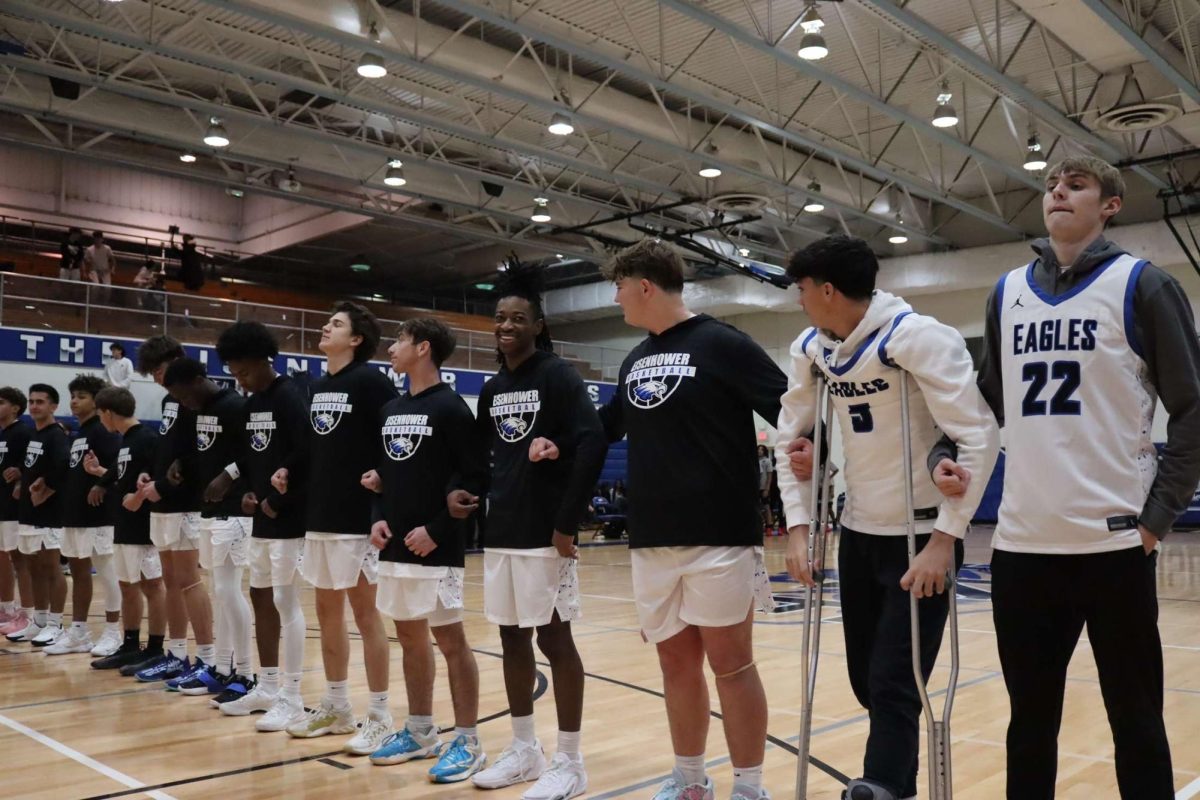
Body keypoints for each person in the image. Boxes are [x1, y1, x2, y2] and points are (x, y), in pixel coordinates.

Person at [931, 156, 1200, 800]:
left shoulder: (1144, 285)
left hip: (1113, 546)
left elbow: (1192, 409)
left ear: (1109, 205)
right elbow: (986, 400)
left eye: (1075, 185)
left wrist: (1157, 516)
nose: (1057, 192)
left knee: (1136, 725)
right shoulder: (1007, 292)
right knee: (1029, 728)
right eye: (1051, 184)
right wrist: (947, 447)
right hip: (1023, 549)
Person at [776, 235, 1000, 800]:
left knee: (896, 677)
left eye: (802, 289)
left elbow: (979, 435)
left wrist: (946, 540)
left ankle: (881, 786)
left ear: (827, 290)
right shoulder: (811, 348)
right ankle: (891, 782)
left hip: (920, 537)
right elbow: (792, 438)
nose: (798, 300)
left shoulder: (918, 337)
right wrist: (800, 526)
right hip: (859, 533)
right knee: (865, 679)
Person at [591, 239, 786, 800]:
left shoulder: (724, 343)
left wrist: (805, 448)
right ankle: (689, 779)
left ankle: (749, 787)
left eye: (620, 286)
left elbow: (790, 409)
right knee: (676, 665)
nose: (617, 297)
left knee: (731, 665)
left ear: (644, 286)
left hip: (719, 534)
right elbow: (606, 426)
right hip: (651, 537)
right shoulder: (635, 359)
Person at [449, 264, 606, 800]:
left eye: (518, 318)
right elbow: (478, 457)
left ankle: (570, 760)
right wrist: (461, 490)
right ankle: (524, 750)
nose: (507, 325)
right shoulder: (493, 389)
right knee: (510, 635)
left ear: (538, 326)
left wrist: (567, 522)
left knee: (555, 639)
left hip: (547, 531)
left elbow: (591, 442)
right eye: (500, 318)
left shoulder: (557, 375)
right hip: (504, 531)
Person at [363, 318, 488, 782]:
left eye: (399, 340)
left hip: (436, 546)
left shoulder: (453, 409)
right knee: (410, 638)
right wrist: (376, 515)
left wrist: (436, 530)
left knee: (451, 641)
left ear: (424, 348)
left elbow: (475, 480)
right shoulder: (390, 408)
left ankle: (470, 741)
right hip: (395, 545)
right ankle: (420, 731)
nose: (391, 348)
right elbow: (382, 473)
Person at [276, 302, 396, 754]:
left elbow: (393, 437)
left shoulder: (370, 382)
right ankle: (337, 705)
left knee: (367, 617)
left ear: (357, 339)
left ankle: (380, 715)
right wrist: (289, 469)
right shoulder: (320, 384)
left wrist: (384, 483)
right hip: (320, 517)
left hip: (358, 518)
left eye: (337, 324)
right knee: (327, 614)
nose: (326, 327)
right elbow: (314, 443)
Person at [213, 321, 310, 731]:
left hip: (289, 516)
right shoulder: (251, 406)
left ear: (262, 359)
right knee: (260, 595)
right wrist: (248, 494)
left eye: (244, 371)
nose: (240, 379)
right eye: (234, 373)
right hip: (262, 517)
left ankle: (293, 694)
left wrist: (278, 500)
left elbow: (305, 453)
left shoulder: (290, 396)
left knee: (286, 602)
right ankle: (268, 686)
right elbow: (255, 459)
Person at [161, 357, 254, 703]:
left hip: (237, 511)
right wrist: (182, 464)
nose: (184, 403)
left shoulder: (235, 406)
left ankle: (245, 673)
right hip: (211, 510)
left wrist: (229, 474)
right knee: (221, 590)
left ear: (200, 379)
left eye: (185, 395)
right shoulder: (199, 411)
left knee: (230, 591)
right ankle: (223, 668)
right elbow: (208, 454)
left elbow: (254, 453)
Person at [133, 335, 216, 686]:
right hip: (163, 502)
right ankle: (178, 653)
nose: (156, 378)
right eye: (151, 372)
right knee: (170, 581)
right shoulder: (169, 400)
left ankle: (208, 658)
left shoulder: (195, 399)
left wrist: (164, 486)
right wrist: (151, 475)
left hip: (186, 503)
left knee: (189, 581)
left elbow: (196, 458)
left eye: (160, 369)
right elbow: (171, 448)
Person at [89, 387, 169, 672]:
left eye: (101, 415)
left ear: (108, 412)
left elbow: (158, 479)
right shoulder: (126, 442)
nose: (101, 421)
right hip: (124, 524)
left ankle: (157, 648)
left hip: (144, 526)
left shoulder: (147, 439)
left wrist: (137, 498)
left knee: (152, 585)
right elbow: (123, 474)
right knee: (127, 585)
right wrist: (101, 478)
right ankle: (131, 644)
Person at [46, 374, 124, 657]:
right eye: (73, 396)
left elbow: (116, 469)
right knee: (79, 573)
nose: (75, 401)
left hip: (99, 516)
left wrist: (101, 486)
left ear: (97, 401)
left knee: (107, 573)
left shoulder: (105, 432)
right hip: (76, 514)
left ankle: (114, 632)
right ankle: (79, 631)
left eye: (81, 396)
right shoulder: (80, 435)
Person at [11, 384, 70, 647]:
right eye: (32, 401)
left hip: (49, 514)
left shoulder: (56, 436)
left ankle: (56, 624)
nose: (35, 406)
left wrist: (44, 489)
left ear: (54, 406)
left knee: (51, 568)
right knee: (33, 568)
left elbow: (62, 469)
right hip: (29, 513)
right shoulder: (36, 435)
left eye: (41, 402)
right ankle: (39, 621)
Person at [0, 388, 34, 638]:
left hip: (14, 507)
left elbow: (33, 463)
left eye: (1, 403)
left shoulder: (23, 432)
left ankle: (28, 613)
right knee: (2, 557)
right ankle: (6, 607)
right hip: (1, 504)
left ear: (15, 407)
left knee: (19, 559)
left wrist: (22, 473)